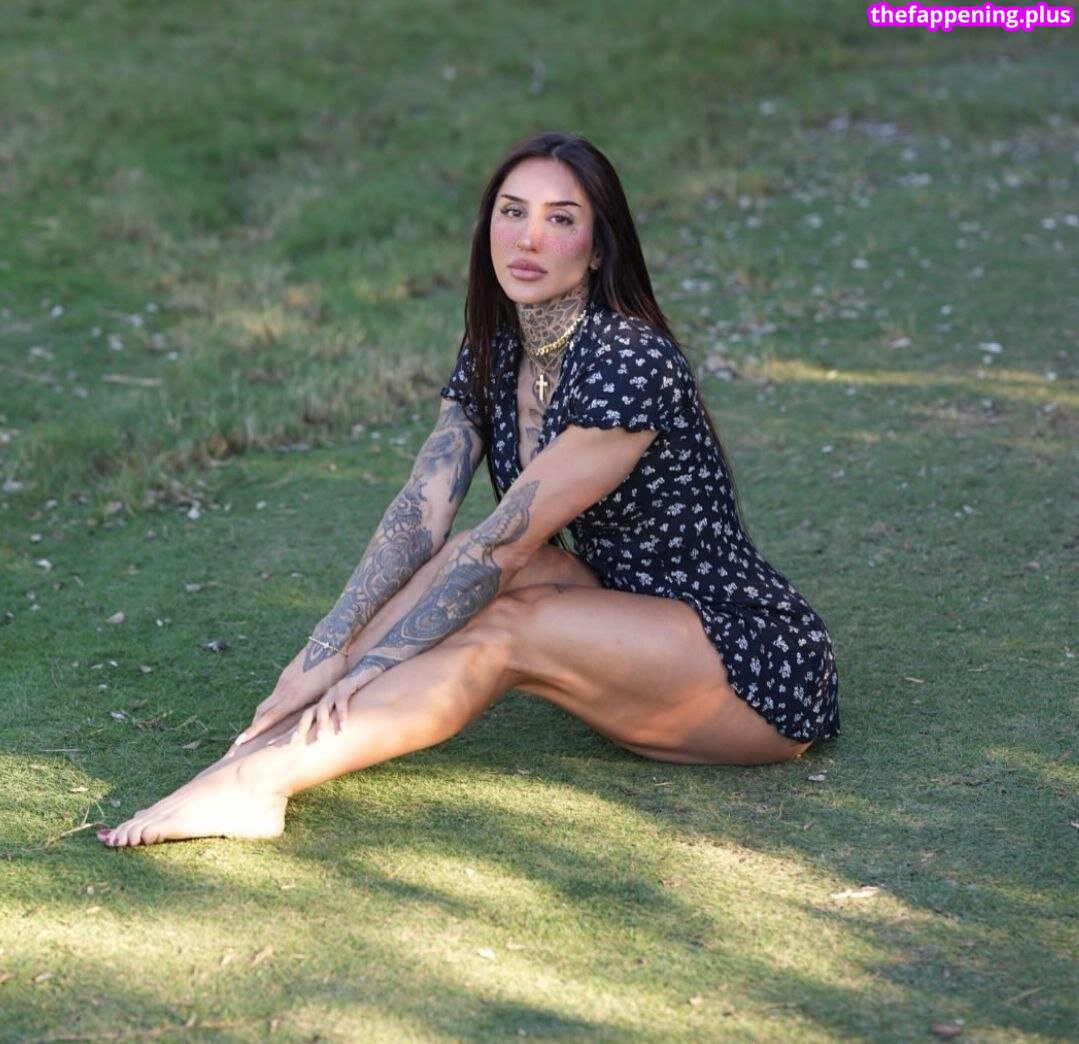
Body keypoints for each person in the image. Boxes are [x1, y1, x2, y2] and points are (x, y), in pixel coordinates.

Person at [97, 131, 839, 848]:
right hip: (627, 617)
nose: (528, 238)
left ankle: (262, 784)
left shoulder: (630, 361)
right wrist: (325, 650)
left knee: (510, 619)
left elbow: (501, 547)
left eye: (560, 219)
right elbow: (420, 512)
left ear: (597, 249)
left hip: (747, 663)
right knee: (473, 559)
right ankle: (261, 745)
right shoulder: (497, 346)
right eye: (513, 211)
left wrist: (372, 664)